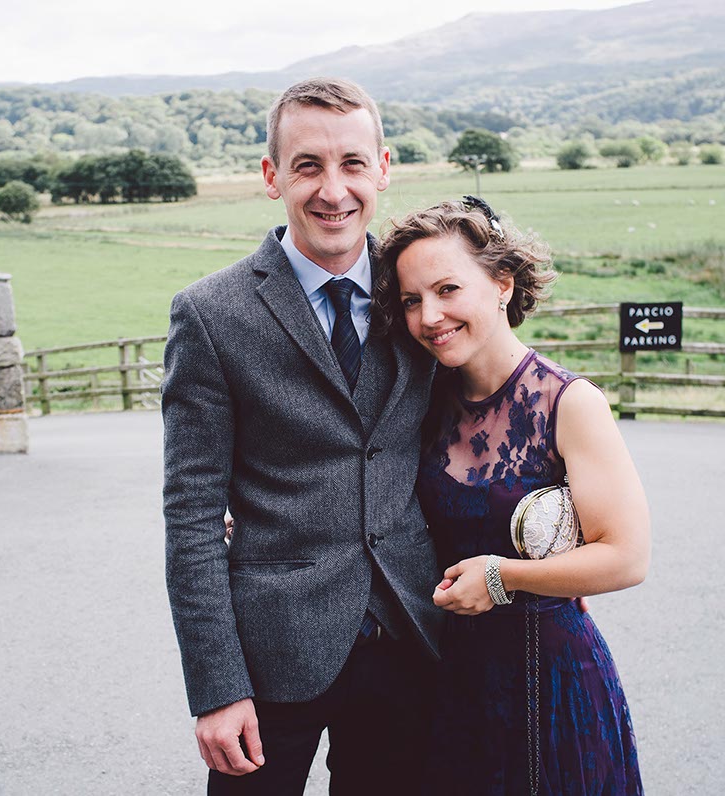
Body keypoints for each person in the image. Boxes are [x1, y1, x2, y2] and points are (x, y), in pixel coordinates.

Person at [161, 78, 444, 795]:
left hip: (409, 634)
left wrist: (537, 556)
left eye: (353, 163)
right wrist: (216, 688)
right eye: (308, 165)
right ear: (272, 175)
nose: (333, 190)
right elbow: (191, 513)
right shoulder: (210, 314)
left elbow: (475, 434)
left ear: (383, 168)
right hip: (271, 655)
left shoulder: (423, 297)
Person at [374, 198, 649, 795]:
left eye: (448, 289)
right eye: (412, 300)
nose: (430, 316)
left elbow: (627, 557)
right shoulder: (422, 400)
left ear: (502, 283)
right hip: (450, 683)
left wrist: (503, 577)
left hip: (551, 679)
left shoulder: (569, 403)